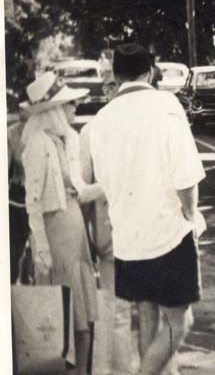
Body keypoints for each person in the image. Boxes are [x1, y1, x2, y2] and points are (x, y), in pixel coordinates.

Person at [88, 43, 206, 375]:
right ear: (150, 72)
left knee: (149, 319)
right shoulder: (166, 105)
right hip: (168, 235)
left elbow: (107, 182)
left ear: (115, 74)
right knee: (179, 324)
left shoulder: (102, 118)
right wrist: (190, 215)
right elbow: (186, 176)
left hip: (127, 239)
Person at [20, 71, 100, 375]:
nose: (75, 108)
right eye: (69, 104)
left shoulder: (67, 140)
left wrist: (113, 184)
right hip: (56, 235)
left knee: (84, 317)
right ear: (53, 110)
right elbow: (34, 203)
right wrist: (41, 248)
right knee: (62, 316)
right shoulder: (38, 144)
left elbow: (78, 189)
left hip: (75, 230)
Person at [79, 63, 136, 375]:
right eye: (111, 85)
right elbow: (81, 190)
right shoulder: (91, 132)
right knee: (117, 312)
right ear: (106, 90)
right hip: (112, 236)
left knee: (158, 314)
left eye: (121, 84)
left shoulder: (144, 128)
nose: (117, 91)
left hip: (151, 235)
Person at [8, 106, 30, 284]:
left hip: (42, 197)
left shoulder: (46, 129)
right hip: (17, 199)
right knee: (15, 249)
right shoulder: (11, 134)